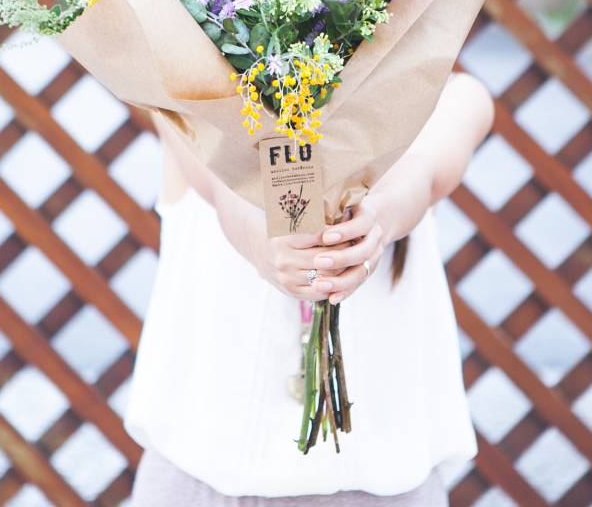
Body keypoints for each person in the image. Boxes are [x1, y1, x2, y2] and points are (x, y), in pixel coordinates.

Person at [125, 72, 494, 505]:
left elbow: (423, 174)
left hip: (377, 485)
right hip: (202, 476)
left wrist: (368, 225)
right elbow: (222, 187)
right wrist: (262, 241)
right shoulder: (188, 97)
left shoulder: (450, 96)